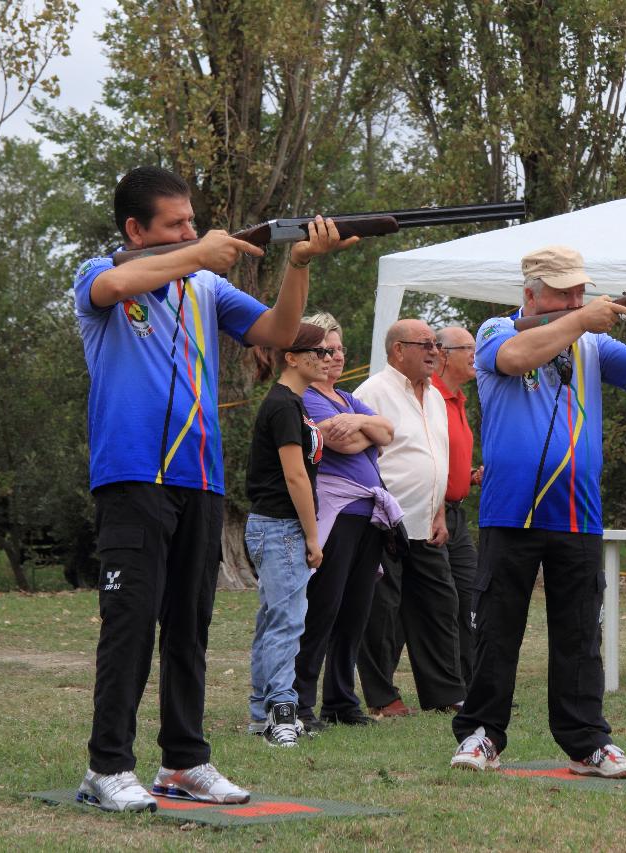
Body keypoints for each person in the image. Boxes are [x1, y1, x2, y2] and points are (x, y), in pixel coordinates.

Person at [72, 166, 354, 811]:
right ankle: (106, 766)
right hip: (131, 475)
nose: (191, 231)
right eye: (175, 225)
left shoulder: (205, 287)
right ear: (135, 229)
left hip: (199, 478)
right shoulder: (99, 274)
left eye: (193, 221)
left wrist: (301, 263)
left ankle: (185, 762)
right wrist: (198, 253)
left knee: (190, 627)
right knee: (130, 624)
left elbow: (282, 335)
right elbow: (117, 283)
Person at [450, 244, 626, 779]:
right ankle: (481, 733)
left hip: (577, 514)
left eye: (579, 290)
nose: (575, 298)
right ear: (530, 294)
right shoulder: (497, 329)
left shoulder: (591, 341)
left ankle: (588, 743)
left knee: (579, 637)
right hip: (509, 513)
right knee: (497, 631)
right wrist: (583, 318)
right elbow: (517, 358)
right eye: (563, 291)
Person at [355, 319, 467, 717]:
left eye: (436, 344)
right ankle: (382, 697)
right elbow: (356, 456)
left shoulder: (435, 395)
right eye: (425, 344)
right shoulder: (372, 392)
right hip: (383, 521)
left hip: (428, 522)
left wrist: (439, 511)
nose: (435, 351)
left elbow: (436, 456)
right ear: (398, 350)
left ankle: (444, 692)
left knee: (440, 603)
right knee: (382, 611)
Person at [292, 314, 398, 731]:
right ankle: (301, 701)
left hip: (367, 517)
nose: (335, 357)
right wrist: (364, 430)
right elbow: (344, 441)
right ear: (306, 355)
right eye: (325, 351)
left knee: (355, 612)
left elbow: (387, 431)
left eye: (339, 350)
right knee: (322, 608)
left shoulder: (347, 399)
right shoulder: (306, 397)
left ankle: (341, 700)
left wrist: (361, 423)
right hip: (333, 517)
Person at [243, 322, 329, 747]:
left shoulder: (294, 404)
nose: (326, 358)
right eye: (316, 351)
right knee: (287, 623)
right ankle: (281, 713)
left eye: (328, 352)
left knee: (274, 620)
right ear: (291, 357)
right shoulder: (283, 406)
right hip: (281, 526)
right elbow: (295, 476)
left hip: (274, 526)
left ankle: (263, 712)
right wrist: (312, 538)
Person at [433, 325, 483, 686]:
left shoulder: (459, 399)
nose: (475, 355)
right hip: (430, 513)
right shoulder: (431, 397)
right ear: (444, 355)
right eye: (468, 348)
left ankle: (472, 682)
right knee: (436, 603)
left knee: (471, 595)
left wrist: (467, 476)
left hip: (457, 512)